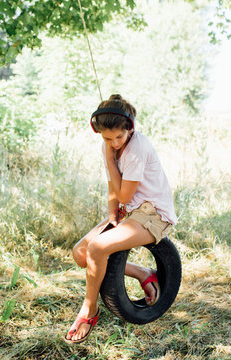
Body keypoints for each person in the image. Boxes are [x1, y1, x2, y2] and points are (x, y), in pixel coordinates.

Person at [64, 94, 178, 344]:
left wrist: (108, 158)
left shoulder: (136, 148)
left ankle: (89, 309)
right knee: (80, 253)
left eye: (119, 137)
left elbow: (124, 192)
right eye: (107, 138)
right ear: (99, 132)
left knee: (97, 248)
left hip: (154, 214)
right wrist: (111, 214)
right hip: (132, 211)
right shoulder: (109, 144)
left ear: (130, 128)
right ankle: (143, 273)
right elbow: (112, 188)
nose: (114, 143)